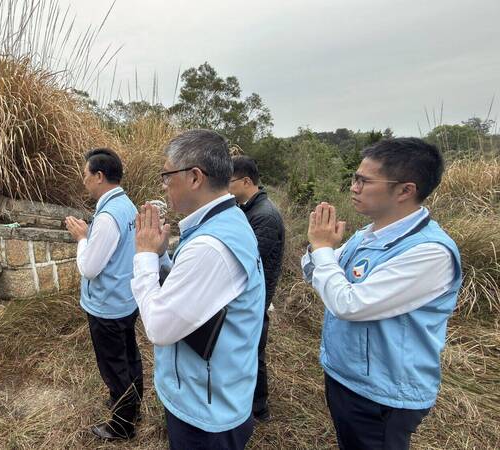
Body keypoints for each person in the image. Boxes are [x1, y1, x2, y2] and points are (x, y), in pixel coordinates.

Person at [301, 138, 462, 450]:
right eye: (354, 178)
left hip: (384, 393)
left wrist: (322, 250)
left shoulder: (429, 252)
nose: (354, 188)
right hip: (346, 376)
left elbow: (348, 303)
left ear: (405, 190)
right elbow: (315, 272)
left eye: (364, 180)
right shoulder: (369, 234)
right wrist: (319, 252)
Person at [133, 129, 265, 449]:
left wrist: (146, 256)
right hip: (210, 391)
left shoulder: (211, 245)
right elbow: (193, 289)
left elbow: (160, 327)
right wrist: (164, 255)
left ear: (195, 177)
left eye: (167, 175)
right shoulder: (223, 222)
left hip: (205, 411)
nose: (163, 186)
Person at [64, 148, 142, 441]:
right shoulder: (128, 205)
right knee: (130, 356)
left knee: (114, 365)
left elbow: (90, 268)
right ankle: (132, 407)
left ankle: (122, 425)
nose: (83, 181)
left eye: (85, 175)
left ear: (99, 176)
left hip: (107, 306)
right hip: (125, 299)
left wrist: (82, 238)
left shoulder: (108, 215)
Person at [228, 155, 285, 422]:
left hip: (257, 297)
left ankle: (259, 408)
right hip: (253, 294)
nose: (225, 187)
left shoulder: (265, 216)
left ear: (246, 181)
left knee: (253, 353)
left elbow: (250, 260)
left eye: (229, 181)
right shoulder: (248, 209)